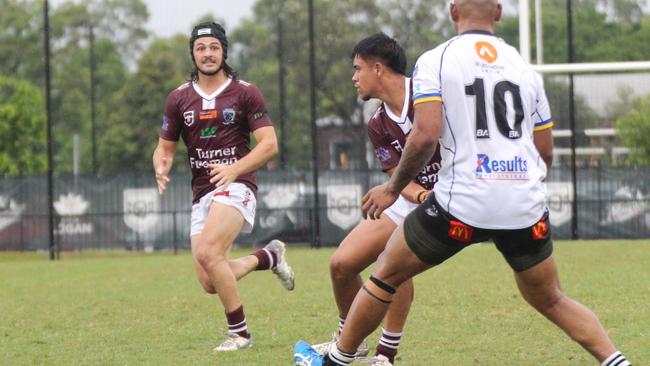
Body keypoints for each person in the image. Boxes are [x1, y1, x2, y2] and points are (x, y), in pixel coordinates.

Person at [294, 1, 632, 365]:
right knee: (551, 298)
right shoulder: (525, 69)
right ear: (499, 13)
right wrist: (517, 187)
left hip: (461, 202)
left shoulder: (436, 60)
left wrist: (393, 189)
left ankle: (341, 359)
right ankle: (616, 360)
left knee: (386, 273)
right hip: (522, 201)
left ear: (453, 11)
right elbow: (545, 151)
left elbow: (424, 136)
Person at [153, 21, 295, 352]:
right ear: (192, 53)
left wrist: (235, 169)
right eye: (201, 48)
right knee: (208, 280)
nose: (207, 53)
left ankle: (241, 334)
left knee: (208, 253)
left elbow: (269, 144)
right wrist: (160, 163)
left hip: (238, 185)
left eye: (214, 47)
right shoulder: (178, 98)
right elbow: (165, 147)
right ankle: (268, 257)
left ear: (223, 51)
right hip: (201, 193)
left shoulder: (245, 92)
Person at [309, 33, 441, 366]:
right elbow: (398, 174)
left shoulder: (429, 94)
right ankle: (351, 337)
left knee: (393, 264)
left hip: (454, 198)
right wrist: (420, 193)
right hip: (409, 196)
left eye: (357, 69)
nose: (354, 78)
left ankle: (386, 353)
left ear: (378, 69)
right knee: (341, 265)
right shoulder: (377, 123)